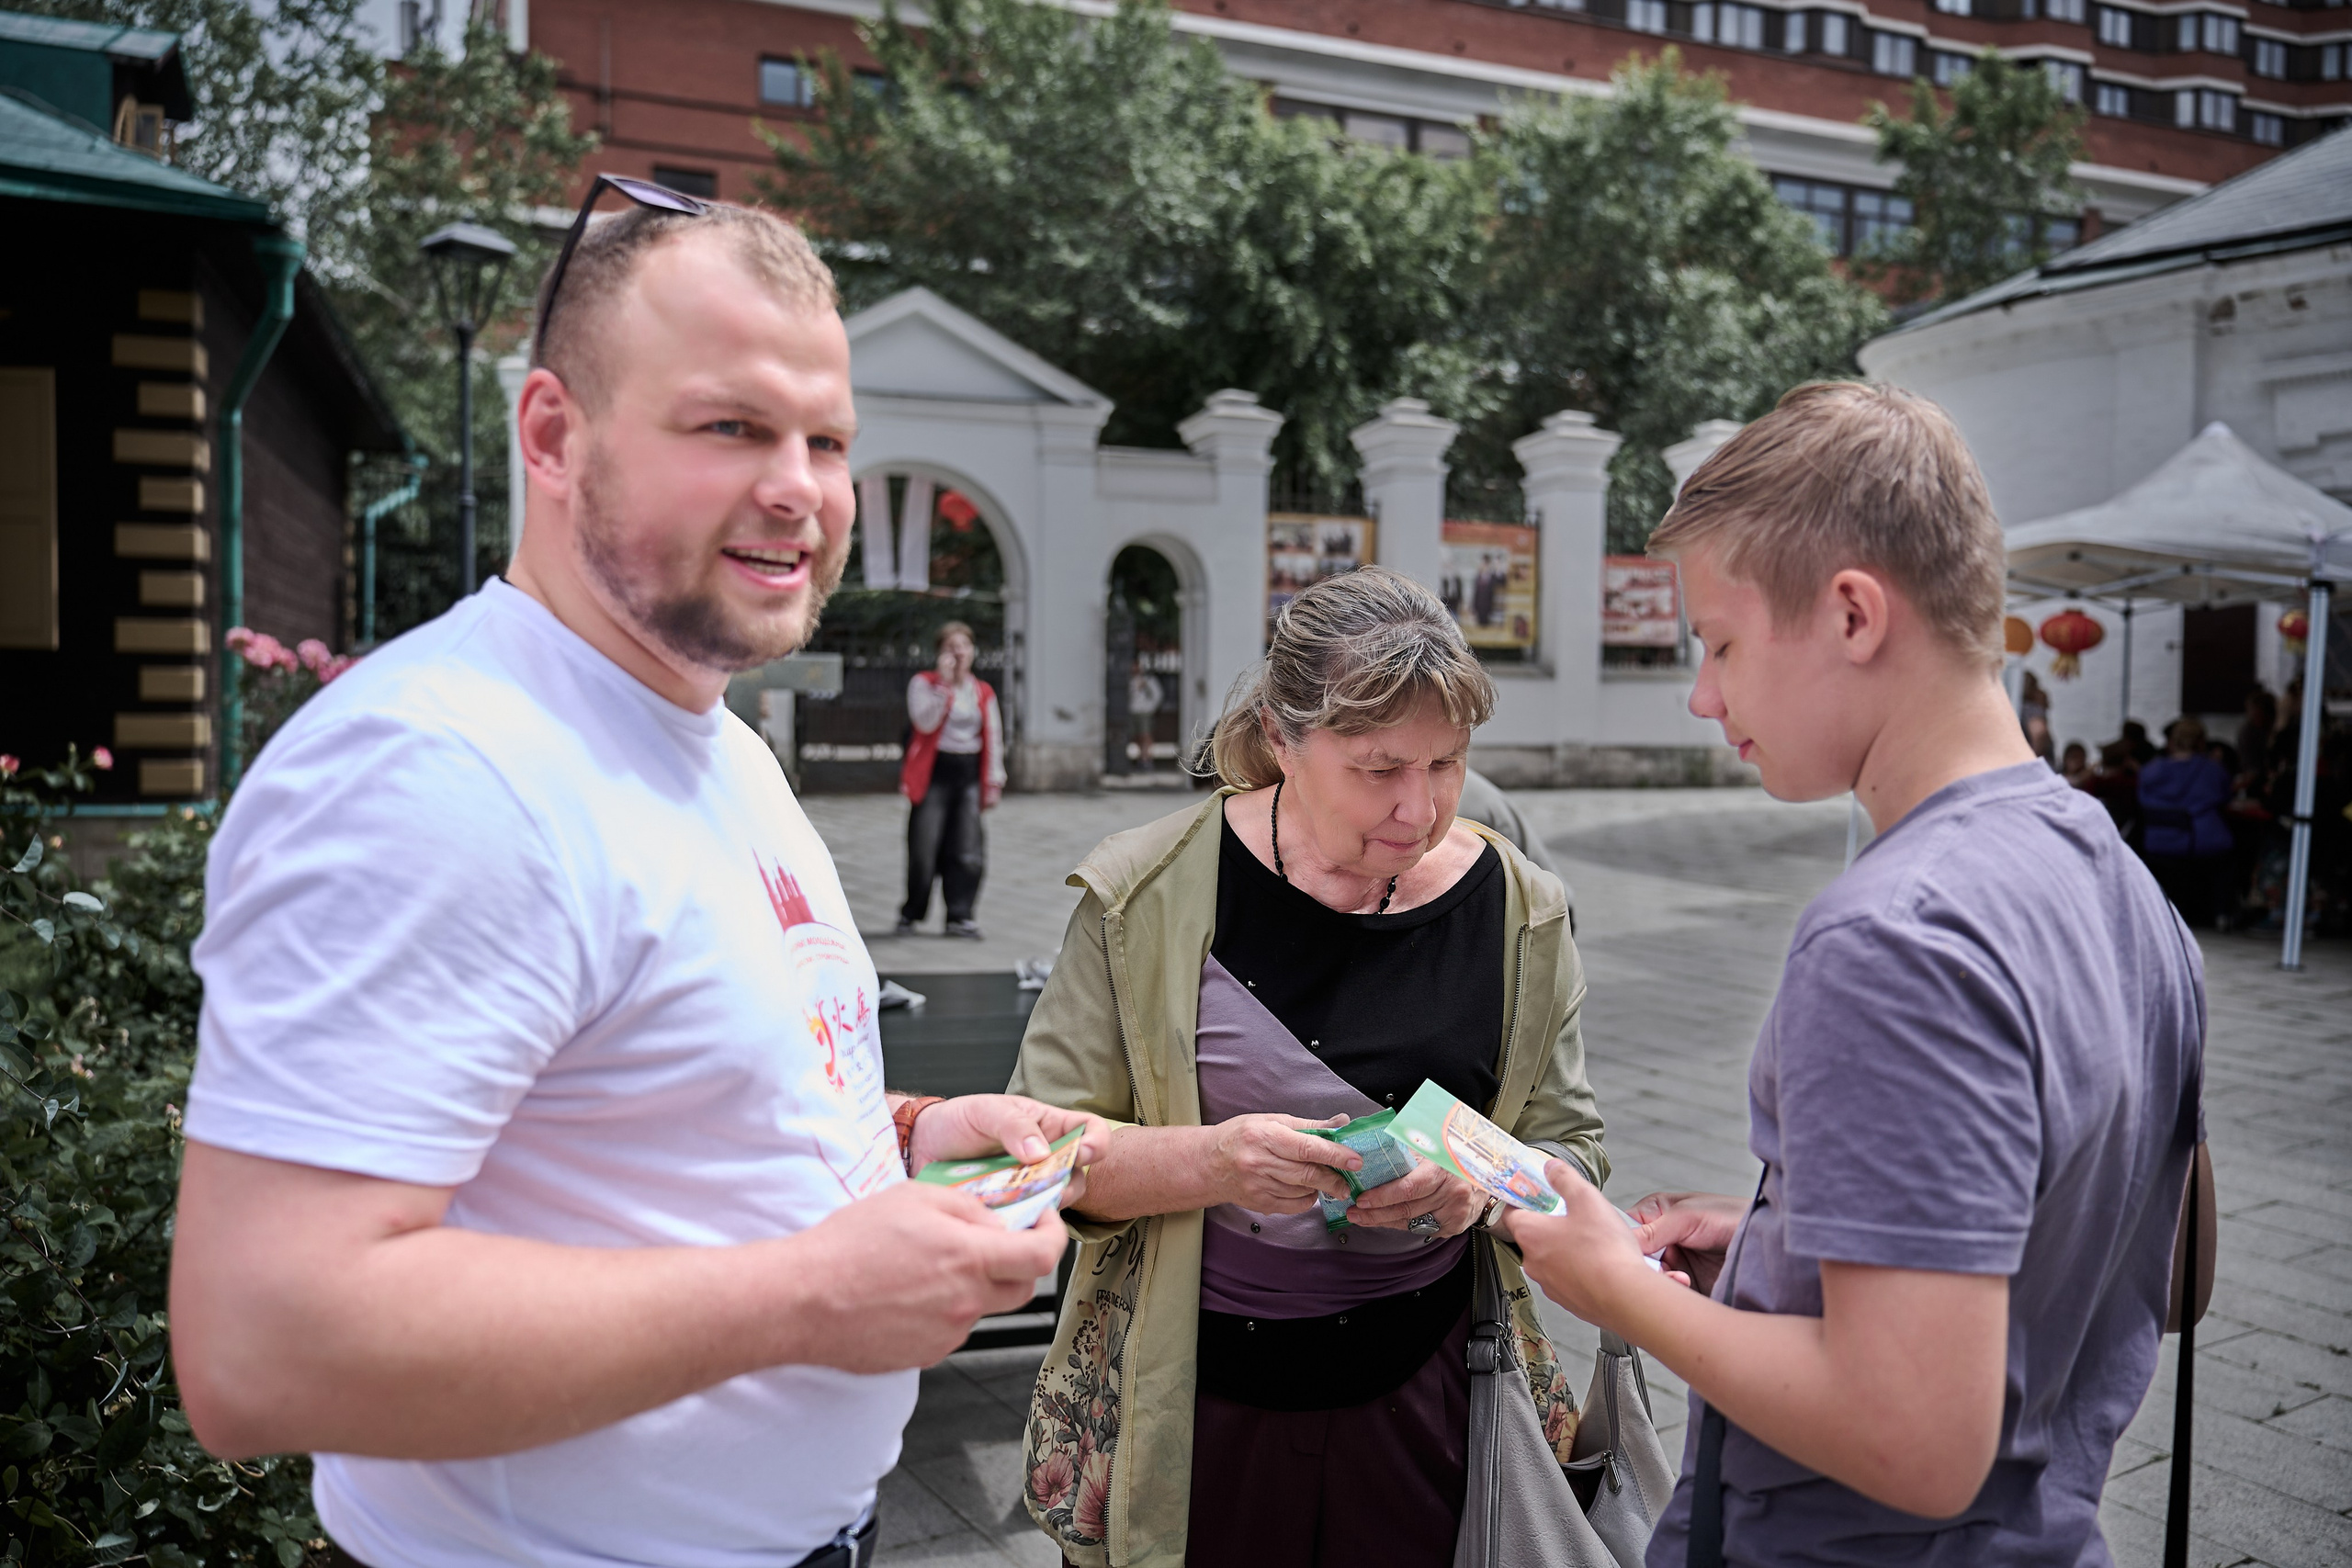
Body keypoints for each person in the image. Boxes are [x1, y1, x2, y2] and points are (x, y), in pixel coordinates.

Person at [168, 193, 1109, 1568]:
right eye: (731, 426)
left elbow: (664, 1104)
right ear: (555, 435)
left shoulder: (713, 737)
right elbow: (262, 1345)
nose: (799, 485)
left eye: (829, 439)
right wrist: (807, 1296)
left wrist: (909, 1131)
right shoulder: (442, 769)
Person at [1501, 383, 2203, 1566]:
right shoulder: (2125, 888)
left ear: (1850, 615)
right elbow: (2155, 1267)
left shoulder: (1893, 940)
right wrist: (1797, 1240)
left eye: (1720, 642)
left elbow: (1915, 1441)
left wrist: (1619, 1289)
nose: (1703, 694)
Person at [1006, 567, 1610, 1568]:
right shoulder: (1145, 896)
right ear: (1281, 741)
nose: (1418, 810)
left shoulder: (1520, 909)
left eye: (1447, 765)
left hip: (1432, 1394)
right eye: (1378, 769)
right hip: (1190, 1405)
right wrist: (1213, 1163)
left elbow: (1573, 1149)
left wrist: (1479, 1191)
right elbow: (1029, 1154)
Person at [898, 620, 1004, 938]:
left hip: (969, 773)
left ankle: (960, 915)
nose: (958, 653)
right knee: (923, 848)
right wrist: (944, 687)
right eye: (950, 647)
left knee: (967, 848)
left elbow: (994, 737)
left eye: (963, 646)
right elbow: (925, 723)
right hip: (935, 773)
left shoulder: (982, 692)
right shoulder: (924, 684)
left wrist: (995, 780)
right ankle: (912, 912)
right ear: (939, 653)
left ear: (973, 652)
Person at [2140, 717, 2235, 928]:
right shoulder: (2211, 769)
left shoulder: (2151, 770)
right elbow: (2225, 795)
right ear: (2201, 742)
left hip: (2159, 839)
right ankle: (2222, 913)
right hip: (2198, 840)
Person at [1128, 660, 1166, 773]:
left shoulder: (1149, 680)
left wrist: (1151, 708)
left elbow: (1157, 695)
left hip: (1145, 712)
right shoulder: (1130, 680)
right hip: (1132, 712)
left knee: (1146, 734)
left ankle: (1146, 758)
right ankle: (1141, 756)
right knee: (1136, 735)